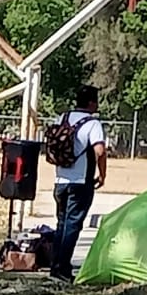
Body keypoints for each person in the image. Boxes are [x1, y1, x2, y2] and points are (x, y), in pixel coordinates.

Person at [49, 84, 107, 283]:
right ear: (91, 102)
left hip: (60, 180)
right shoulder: (92, 123)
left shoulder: (62, 118)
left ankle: (55, 265)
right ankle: (63, 269)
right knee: (73, 225)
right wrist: (102, 174)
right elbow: (99, 151)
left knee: (61, 224)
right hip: (81, 181)